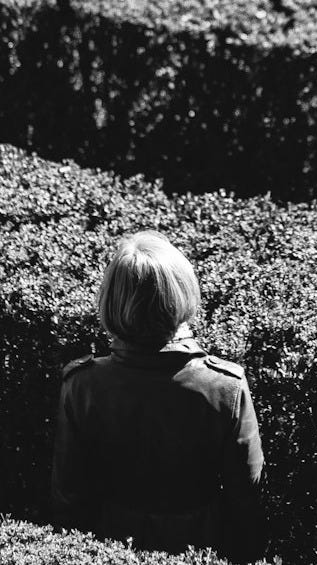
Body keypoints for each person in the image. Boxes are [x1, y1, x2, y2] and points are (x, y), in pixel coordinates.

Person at [51, 231, 266, 563]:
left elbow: (69, 497)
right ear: (181, 294)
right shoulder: (225, 386)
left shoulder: (83, 384)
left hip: (111, 549)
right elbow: (246, 499)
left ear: (111, 300)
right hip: (199, 548)